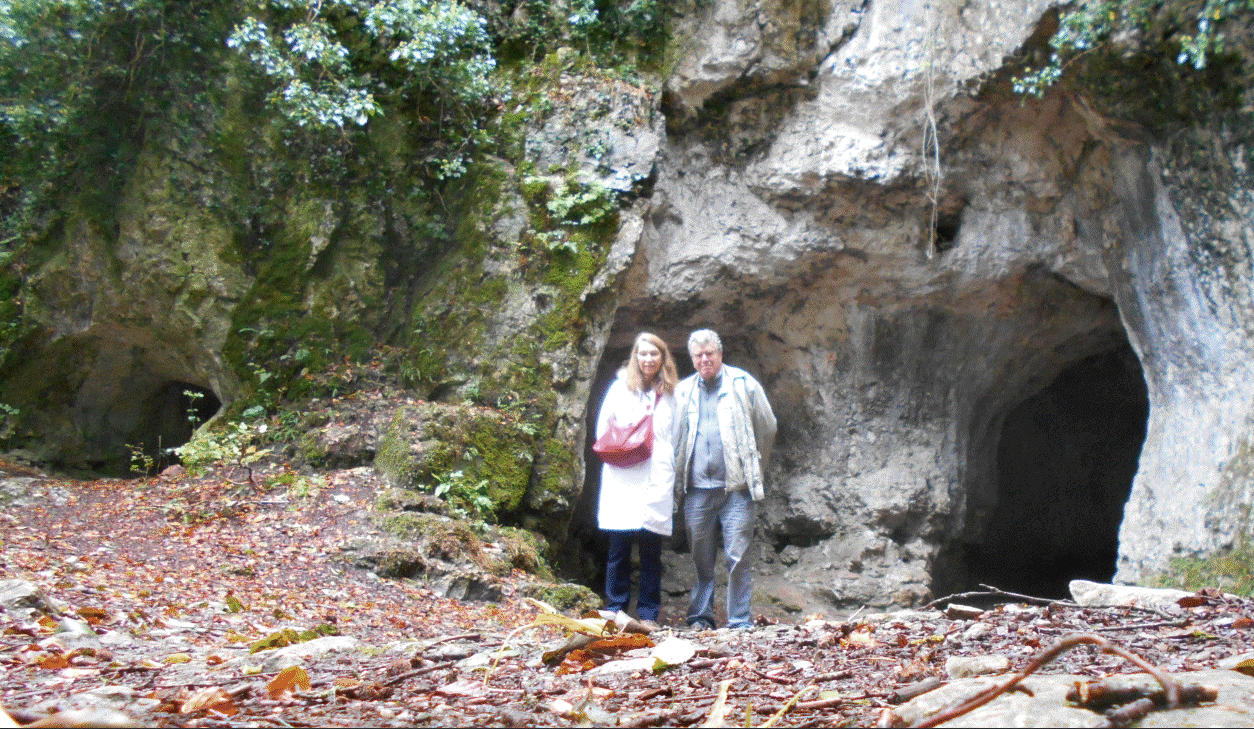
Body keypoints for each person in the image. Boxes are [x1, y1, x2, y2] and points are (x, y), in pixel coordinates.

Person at [673, 328, 777, 630]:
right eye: (698, 355)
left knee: (737, 556)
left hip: (735, 489)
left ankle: (739, 620)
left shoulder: (744, 384)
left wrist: (753, 465)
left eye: (710, 353)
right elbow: (674, 436)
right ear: (692, 359)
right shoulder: (683, 391)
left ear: (720, 354)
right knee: (701, 558)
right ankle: (700, 616)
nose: (704, 359)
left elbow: (768, 427)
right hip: (696, 490)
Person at [595, 332, 679, 626]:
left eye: (654, 354)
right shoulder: (620, 388)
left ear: (663, 358)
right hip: (623, 475)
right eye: (643, 354)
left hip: (656, 476)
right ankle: (615, 607)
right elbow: (602, 429)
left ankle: (648, 614)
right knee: (618, 547)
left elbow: (676, 435)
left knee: (651, 551)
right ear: (635, 357)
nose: (648, 359)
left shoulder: (672, 395)